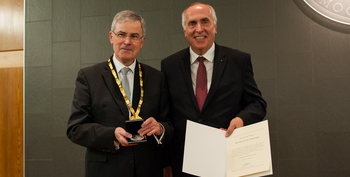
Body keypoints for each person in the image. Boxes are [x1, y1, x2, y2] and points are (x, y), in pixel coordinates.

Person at [161, 2, 267, 177]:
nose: (199, 29)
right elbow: (165, 116)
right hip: (184, 163)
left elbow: (257, 104)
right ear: (184, 30)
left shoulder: (238, 61)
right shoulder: (169, 65)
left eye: (205, 22)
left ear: (215, 26)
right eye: (192, 23)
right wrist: (165, 163)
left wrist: (240, 120)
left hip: (228, 160)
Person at [67, 10, 173, 177]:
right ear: (111, 37)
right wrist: (112, 135)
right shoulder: (89, 77)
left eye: (134, 36)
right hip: (105, 171)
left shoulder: (157, 78)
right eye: (121, 34)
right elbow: (76, 128)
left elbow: (169, 124)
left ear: (142, 41)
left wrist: (160, 128)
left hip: (148, 170)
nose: (127, 41)